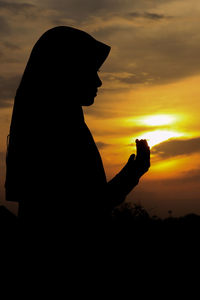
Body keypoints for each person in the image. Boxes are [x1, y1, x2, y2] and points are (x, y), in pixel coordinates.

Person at [5, 26, 150, 237]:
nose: (98, 81)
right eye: (91, 70)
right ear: (67, 71)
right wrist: (133, 174)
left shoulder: (52, 126)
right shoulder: (56, 134)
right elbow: (85, 211)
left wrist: (133, 173)